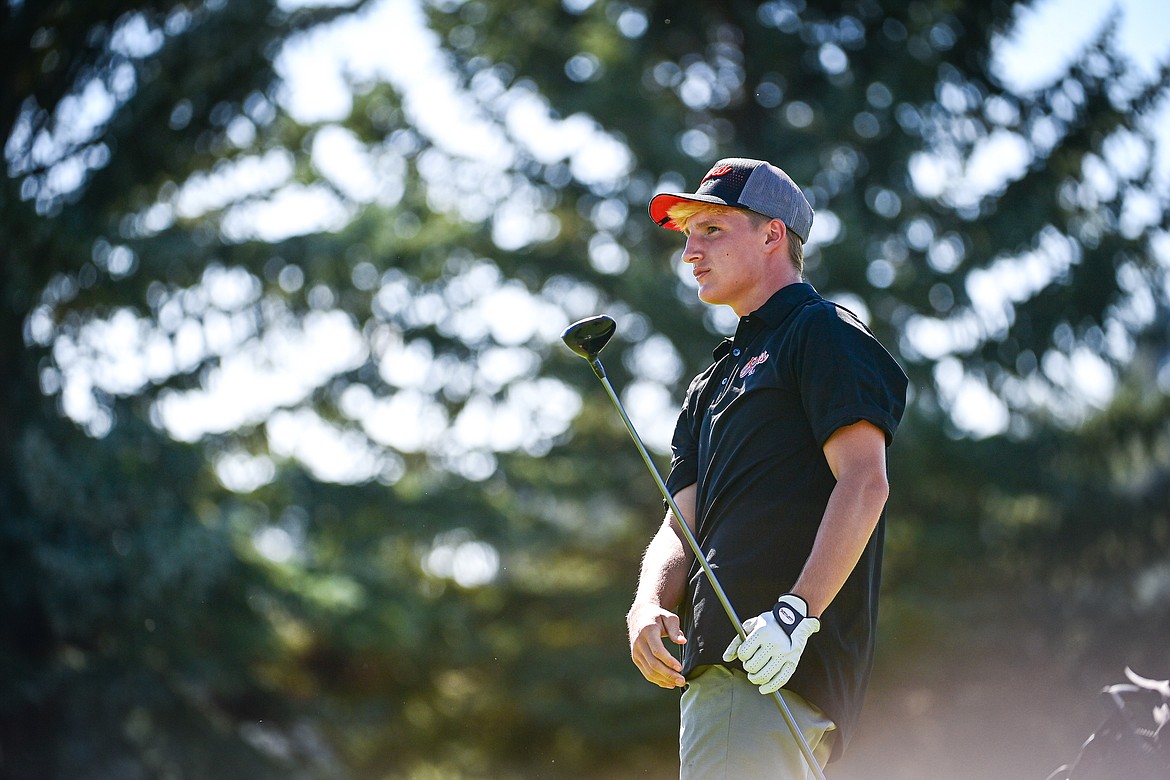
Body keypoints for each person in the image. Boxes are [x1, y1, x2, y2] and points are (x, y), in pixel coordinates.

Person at [627, 158, 908, 778]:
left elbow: (865, 481)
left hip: (767, 668)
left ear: (772, 234)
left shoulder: (822, 333)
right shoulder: (715, 378)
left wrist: (794, 613)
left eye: (712, 230)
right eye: (688, 234)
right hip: (733, 677)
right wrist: (647, 601)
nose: (690, 251)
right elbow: (682, 522)